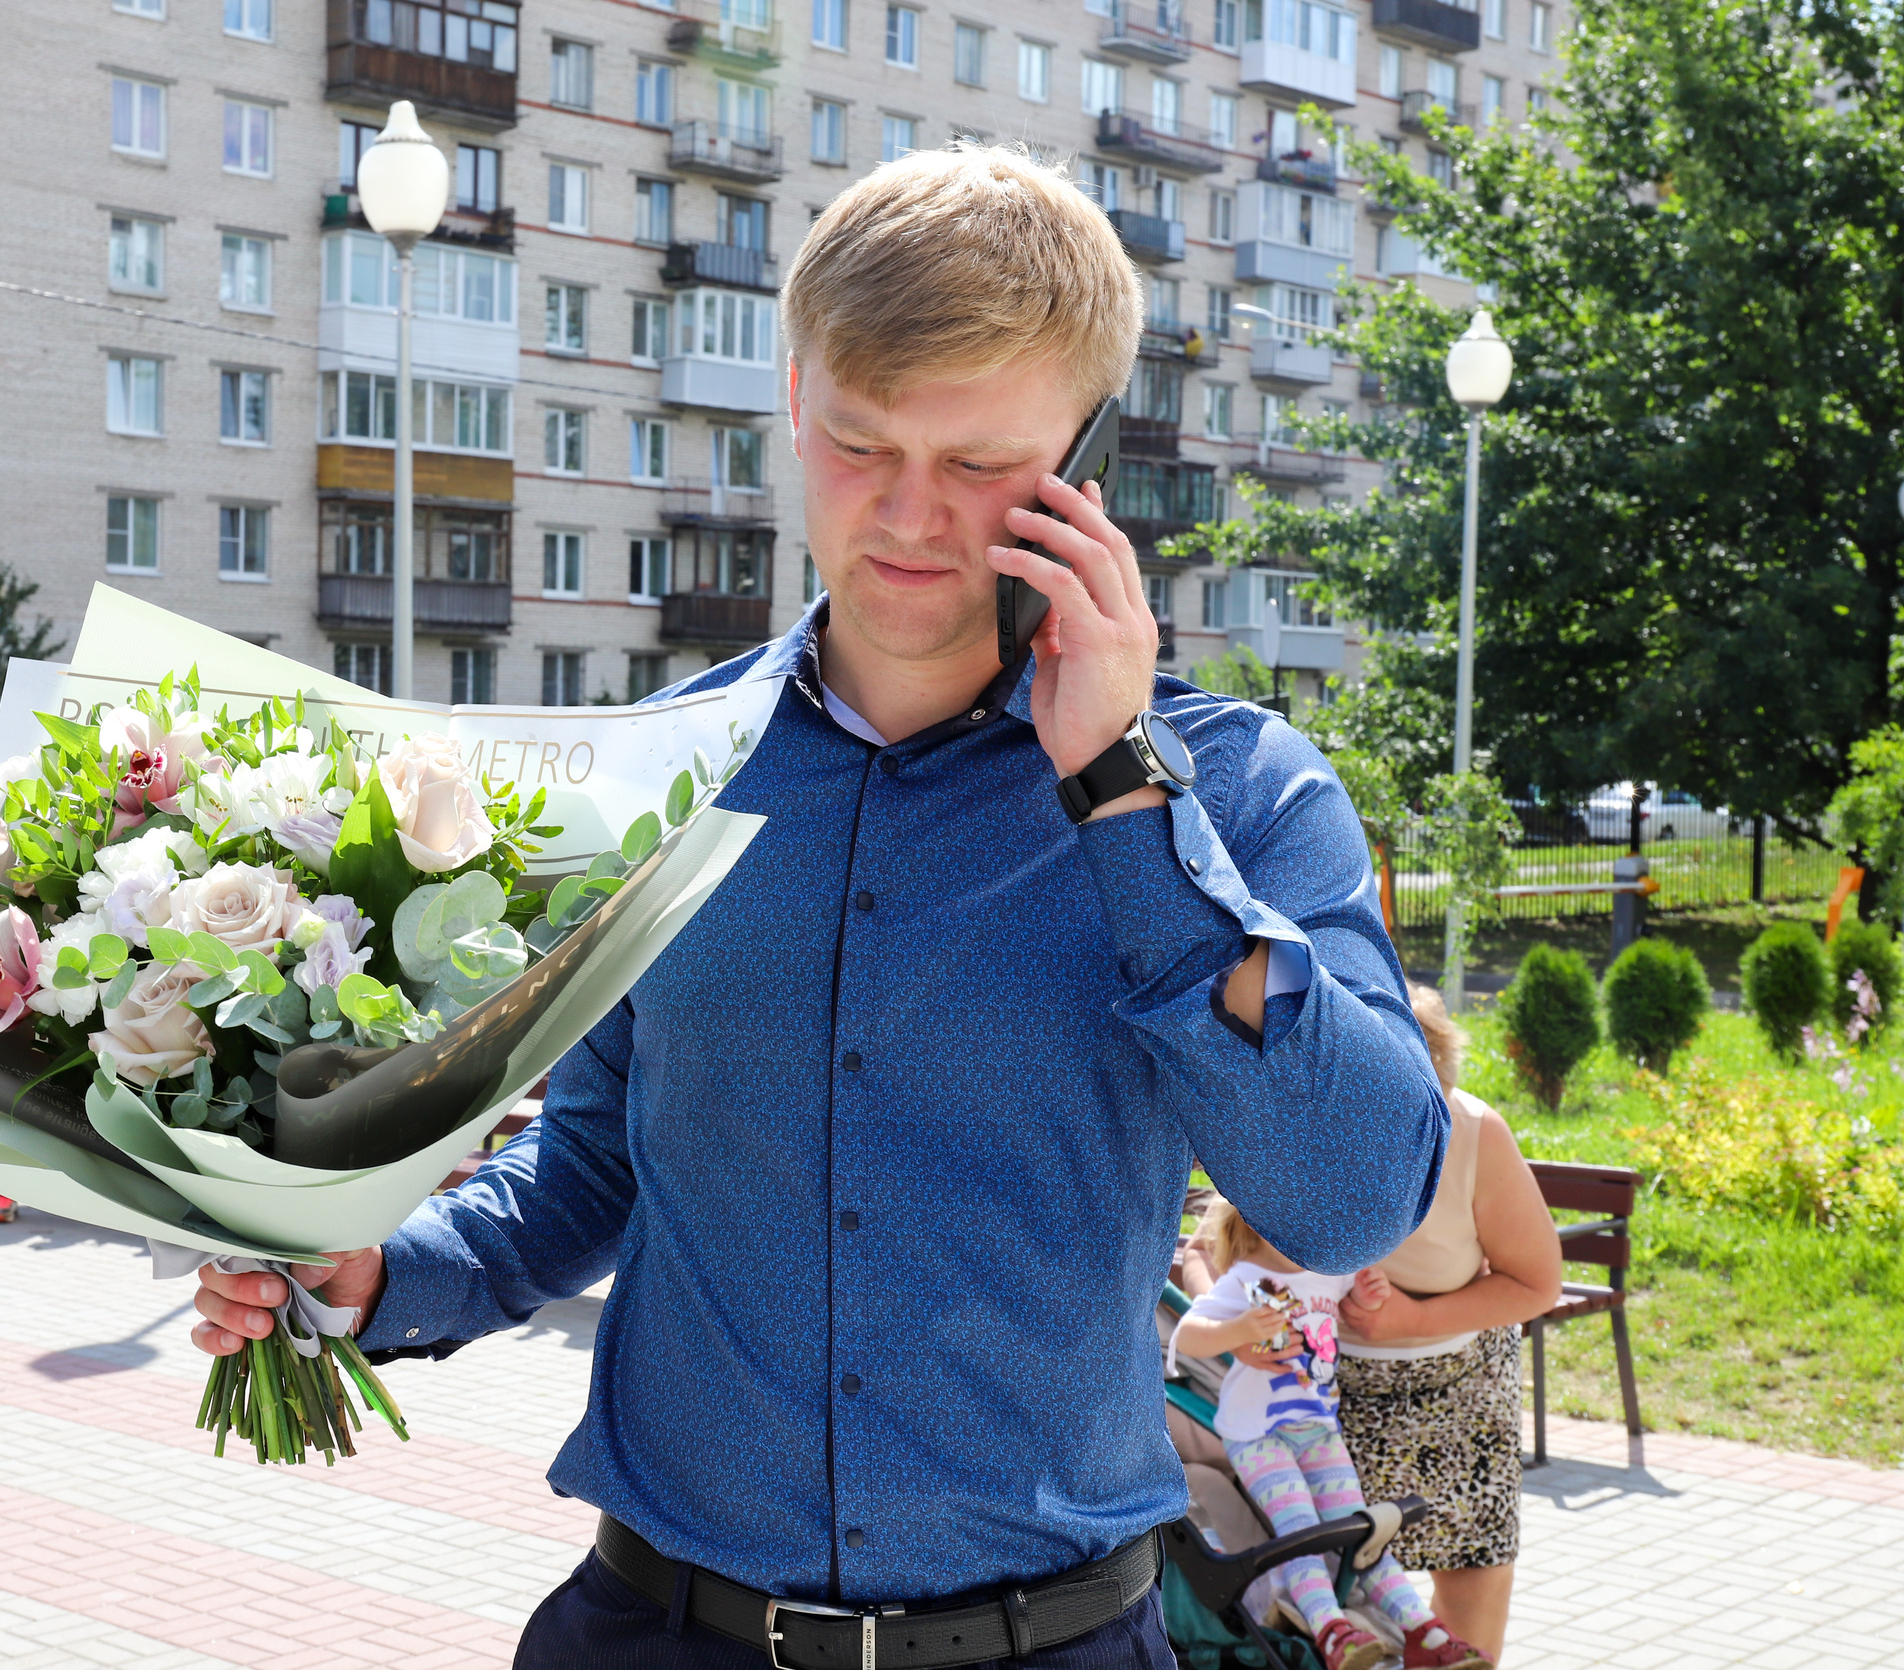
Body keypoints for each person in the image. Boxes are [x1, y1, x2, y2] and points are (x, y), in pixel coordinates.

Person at [196, 143, 1451, 1670]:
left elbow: (1356, 1194)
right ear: (794, 403)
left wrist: (1121, 785)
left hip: (1050, 1643)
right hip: (655, 1628)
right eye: (862, 444)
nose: (911, 517)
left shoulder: (1241, 793)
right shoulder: (661, 772)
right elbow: (598, 1154)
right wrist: (388, 1270)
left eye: (982, 464)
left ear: (1091, 456)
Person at [1334, 986, 1562, 1663]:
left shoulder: (1473, 1131)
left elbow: (1536, 1280)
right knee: (1334, 1594)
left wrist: (1411, 1319)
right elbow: (1213, 1249)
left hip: (1461, 1393)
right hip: (1329, 1398)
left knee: (1468, 1607)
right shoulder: (1299, 1131)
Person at [1174, 1200, 1495, 1670]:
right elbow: (1188, 1335)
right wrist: (1238, 1330)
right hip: (1258, 1435)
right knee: (1299, 1532)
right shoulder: (1246, 1280)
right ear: (1258, 1223)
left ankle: (1423, 1631)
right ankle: (1328, 1627)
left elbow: (1355, 1307)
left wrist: (1368, 1294)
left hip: (1320, 1430)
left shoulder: (1329, 1272)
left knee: (1361, 1532)